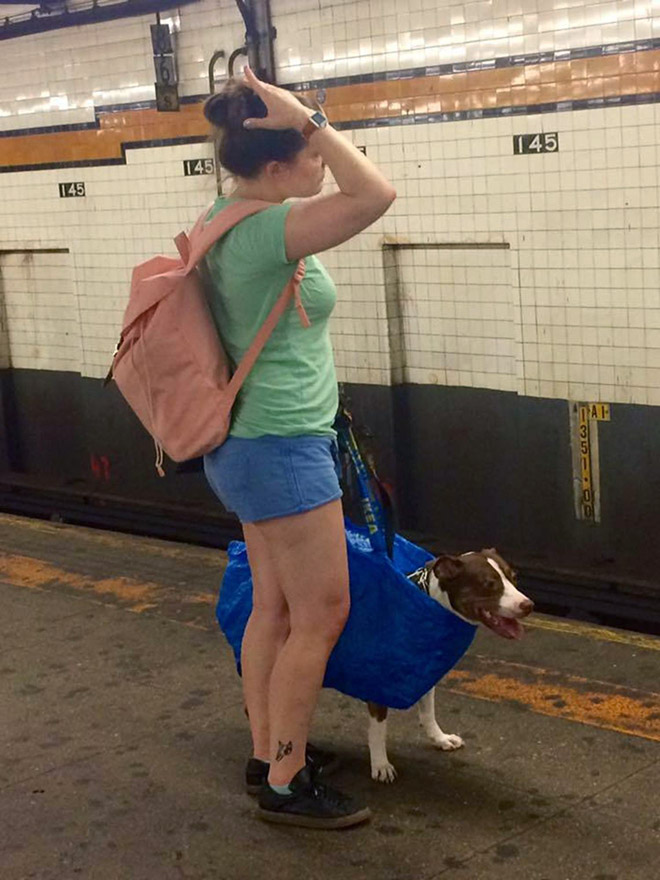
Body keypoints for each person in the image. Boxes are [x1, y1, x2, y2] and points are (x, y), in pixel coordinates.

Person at [202, 66, 396, 829]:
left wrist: (302, 121)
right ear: (278, 163)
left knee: (275, 608)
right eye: (309, 152)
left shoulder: (232, 219)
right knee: (322, 611)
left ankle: (268, 751)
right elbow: (375, 194)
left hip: (256, 443)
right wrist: (310, 120)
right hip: (279, 447)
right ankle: (287, 779)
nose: (321, 162)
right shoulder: (263, 231)